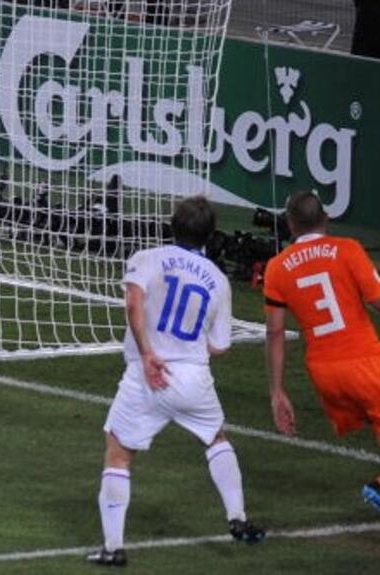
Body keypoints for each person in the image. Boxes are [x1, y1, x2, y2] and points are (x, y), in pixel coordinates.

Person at [87, 196, 265, 567]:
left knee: (118, 454)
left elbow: (133, 303)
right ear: (210, 235)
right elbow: (220, 347)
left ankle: (113, 547)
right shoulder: (218, 280)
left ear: (172, 225)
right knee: (215, 439)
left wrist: (148, 352)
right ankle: (238, 518)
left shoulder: (147, 258)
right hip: (193, 378)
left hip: (147, 376)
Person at [263, 190, 380, 511]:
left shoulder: (276, 268)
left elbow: (274, 333)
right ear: (326, 217)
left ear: (290, 225)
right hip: (365, 363)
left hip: (325, 374)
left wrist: (277, 392)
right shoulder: (348, 249)